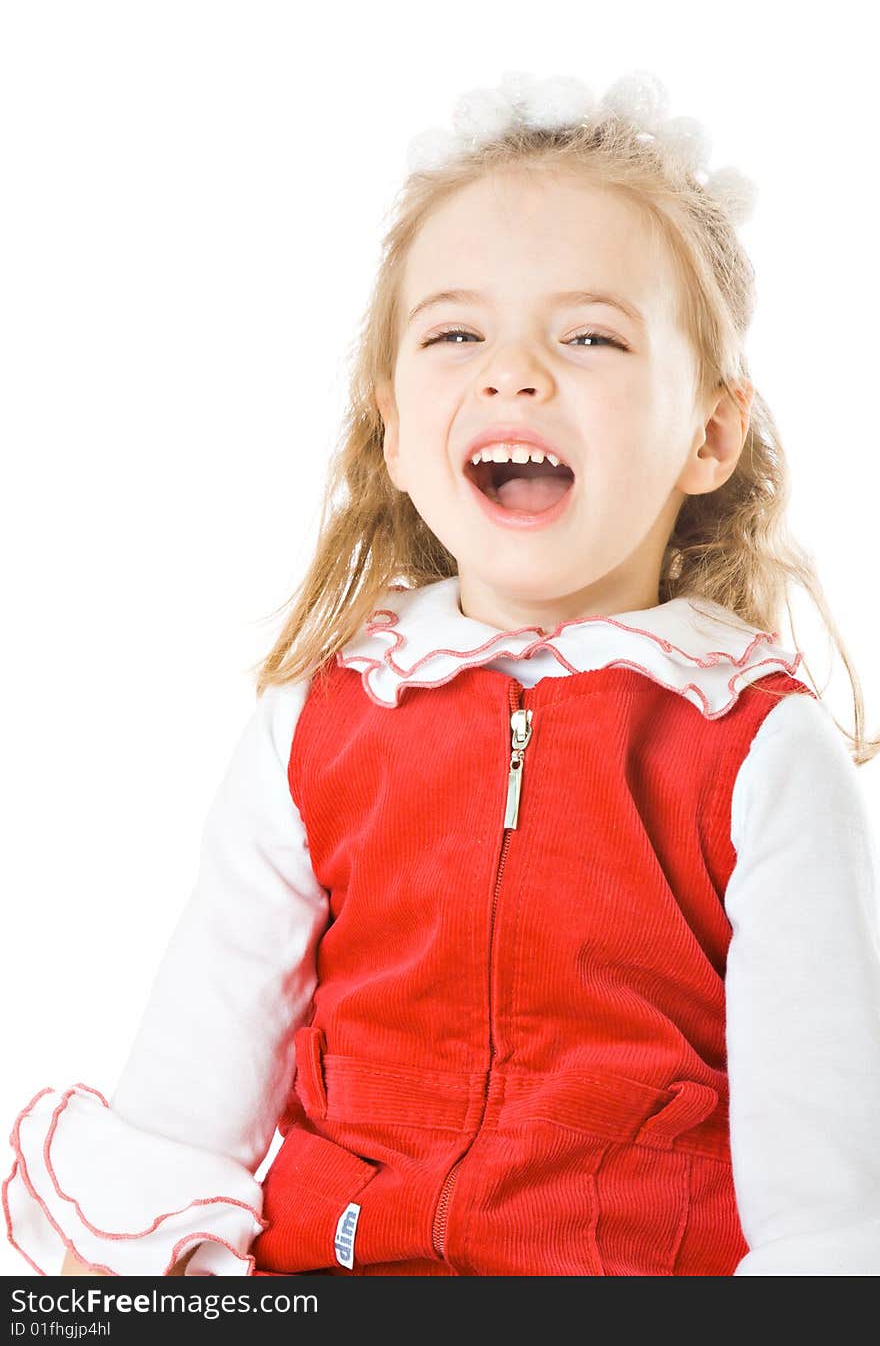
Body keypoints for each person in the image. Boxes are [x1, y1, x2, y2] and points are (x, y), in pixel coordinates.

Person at [6, 69, 880, 1278]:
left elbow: (820, 1197)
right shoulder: (314, 722)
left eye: (588, 335)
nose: (512, 372)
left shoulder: (757, 750)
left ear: (709, 435)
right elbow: (191, 1091)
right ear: (396, 430)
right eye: (457, 333)